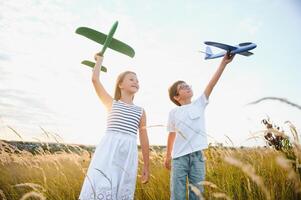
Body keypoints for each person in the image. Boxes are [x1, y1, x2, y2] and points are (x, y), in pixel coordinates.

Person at [164, 53, 235, 200]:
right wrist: (167, 156)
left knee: (197, 194)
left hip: (197, 157)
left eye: (187, 85)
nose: (187, 87)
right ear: (176, 97)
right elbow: (171, 135)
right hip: (179, 159)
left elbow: (211, 84)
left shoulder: (199, 104)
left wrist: (223, 64)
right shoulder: (173, 113)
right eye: (182, 87)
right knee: (177, 194)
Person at [79, 53, 150, 200]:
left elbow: (144, 140)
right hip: (108, 152)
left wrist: (146, 166)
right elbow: (95, 79)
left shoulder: (141, 111)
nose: (136, 82)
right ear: (120, 84)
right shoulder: (112, 104)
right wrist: (99, 61)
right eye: (131, 79)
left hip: (128, 154)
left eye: (137, 80)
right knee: (102, 186)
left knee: (122, 188)